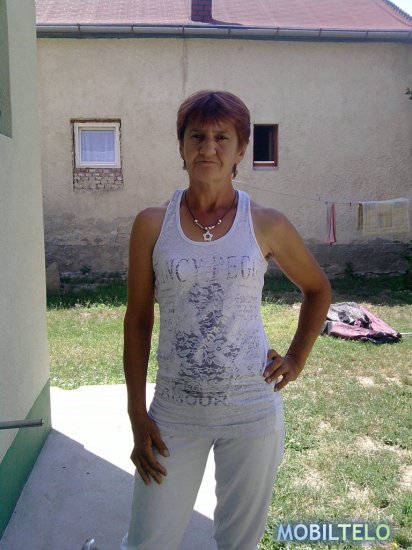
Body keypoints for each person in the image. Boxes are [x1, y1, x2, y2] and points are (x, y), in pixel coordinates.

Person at [120, 90, 331, 550]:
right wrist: (136, 413)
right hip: (175, 411)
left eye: (222, 138)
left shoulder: (265, 223)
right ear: (181, 147)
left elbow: (317, 289)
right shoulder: (152, 224)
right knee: (148, 541)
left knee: (239, 542)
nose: (208, 148)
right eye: (196, 136)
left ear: (241, 150)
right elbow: (138, 321)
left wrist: (296, 358)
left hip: (251, 410)